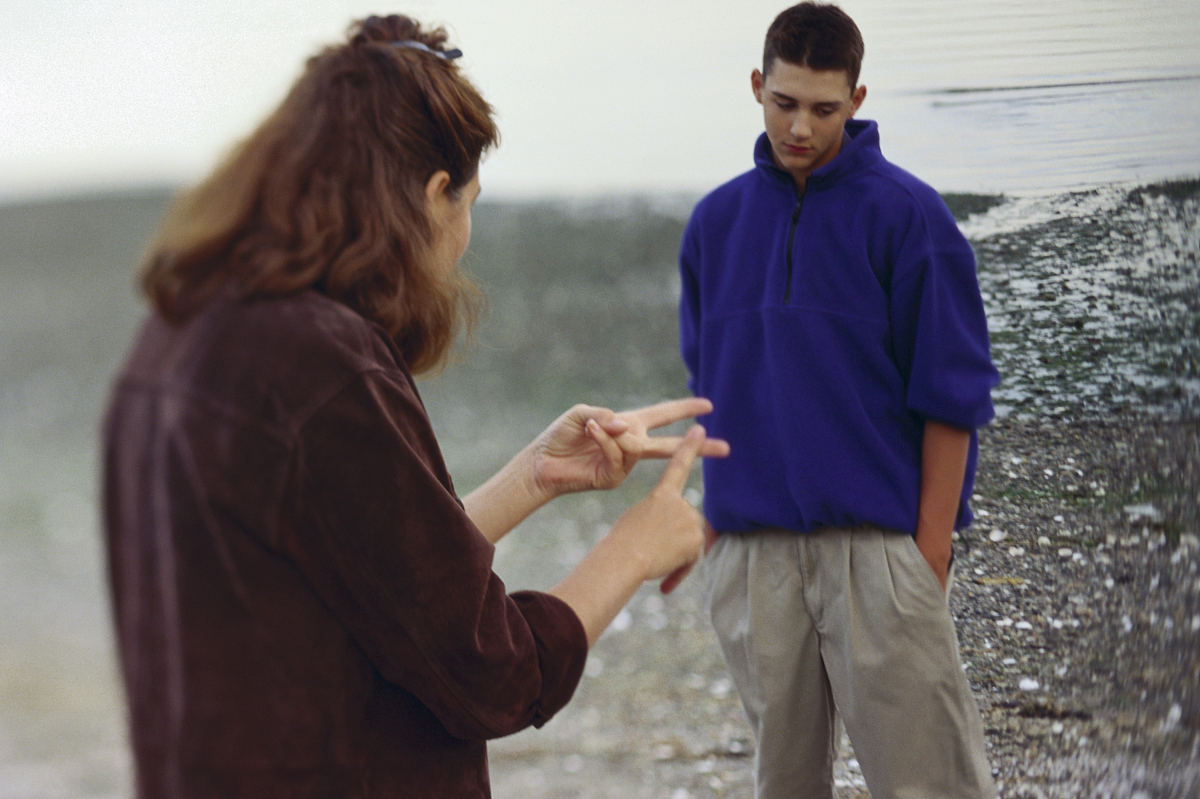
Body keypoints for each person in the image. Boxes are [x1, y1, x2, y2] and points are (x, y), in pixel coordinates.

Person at [103, 14, 728, 799]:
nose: (464, 234)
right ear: (435, 195)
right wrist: (635, 547)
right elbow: (491, 671)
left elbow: (358, 588)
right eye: (469, 203)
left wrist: (531, 478)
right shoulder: (326, 364)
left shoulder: (180, 334)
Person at [679, 3, 1001, 798]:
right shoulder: (714, 224)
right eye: (784, 102)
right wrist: (714, 526)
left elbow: (952, 397)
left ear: (857, 100)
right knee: (783, 784)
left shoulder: (910, 217)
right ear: (757, 86)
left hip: (878, 549)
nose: (800, 128)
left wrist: (927, 556)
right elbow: (708, 384)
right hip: (754, 556)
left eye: (824, 109)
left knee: (933, 784)